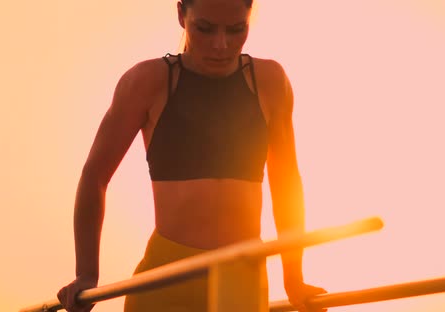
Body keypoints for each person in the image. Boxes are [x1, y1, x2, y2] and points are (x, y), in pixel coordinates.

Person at [57, 0, 327, 311]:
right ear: (181, 15)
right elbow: (95, 177)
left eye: (236, 29)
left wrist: (294, 277)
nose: (221, 45)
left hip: (243, 278)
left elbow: (286, 182)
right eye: (205, 29)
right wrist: (87, 274)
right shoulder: (147, 82)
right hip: (166, 279)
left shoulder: (270, 81)